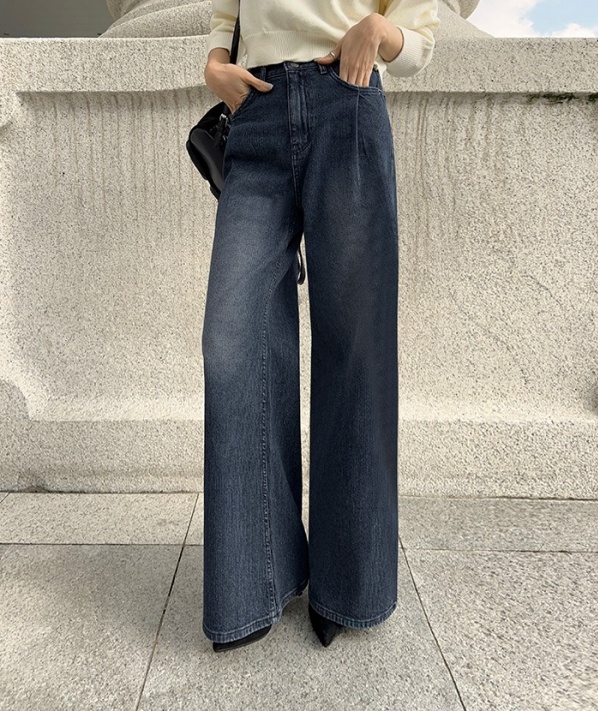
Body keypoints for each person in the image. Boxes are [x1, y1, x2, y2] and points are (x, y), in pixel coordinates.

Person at [201, 0, 441, 652]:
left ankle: (349, 583)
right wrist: (217, 62)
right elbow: (226, 9)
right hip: (257, 112)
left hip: (347, 99)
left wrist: (379, 32)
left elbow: (418, 31)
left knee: (355, 346)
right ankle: (255, 576)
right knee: (231, 341)